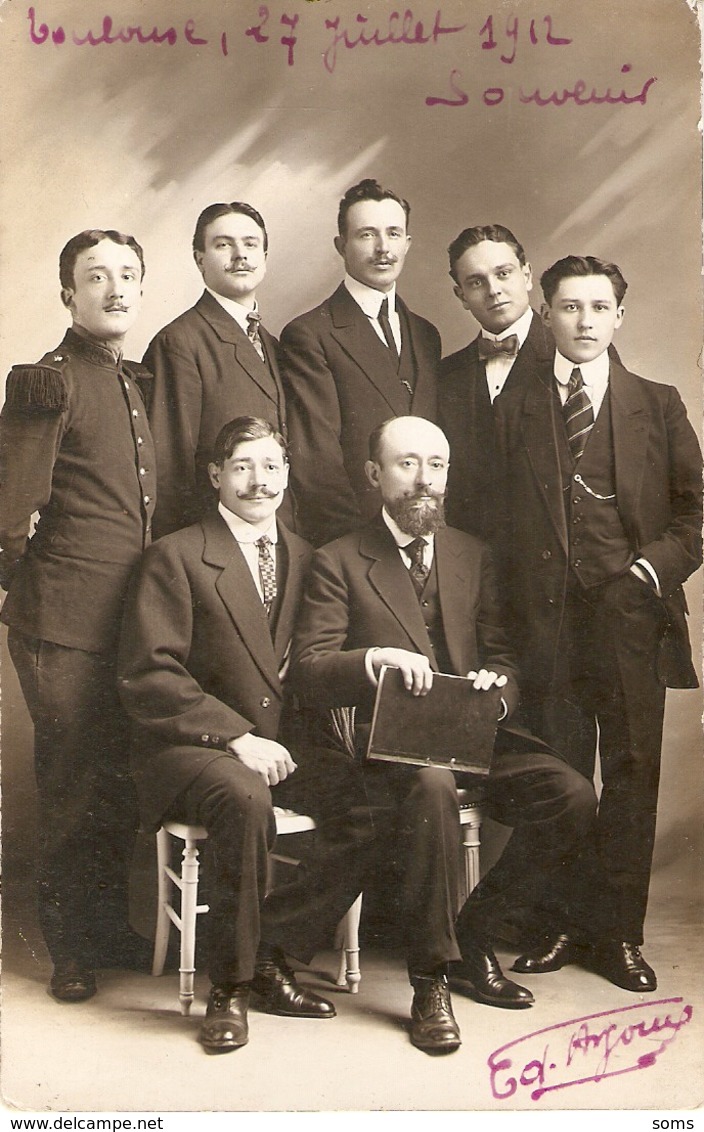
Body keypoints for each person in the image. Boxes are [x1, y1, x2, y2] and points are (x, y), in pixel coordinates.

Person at [274, 415, 597, 1056]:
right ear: (374, 475)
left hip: (472, 732)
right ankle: (430, 985)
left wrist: (493, 688)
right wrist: (375, 663)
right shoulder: (338, 559)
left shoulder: (472, 554)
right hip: (384, 745)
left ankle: (474, 933)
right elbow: (310, 667)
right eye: (407, 464)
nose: (425, 480)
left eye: (438, 466)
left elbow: (506, 659)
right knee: (429, 784)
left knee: (572, 795)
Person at [117, 416, 370, 1053]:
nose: (260, 483)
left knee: (378, 799)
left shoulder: (310, 558)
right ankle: (230, 989)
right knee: (245, 799)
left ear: (288, 475)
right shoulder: (175, 555)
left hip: (281, 742)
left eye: (272, 467)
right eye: (243, 467)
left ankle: (269, 951)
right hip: (191, 748)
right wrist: (233, 737)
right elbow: (150, 673)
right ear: (214, 476)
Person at [493, 256, 703, 991]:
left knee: (634, 773)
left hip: (630, 621)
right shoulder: (515, 410)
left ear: (620, 316)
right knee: (561, 773)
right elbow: (492, 519)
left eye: (598, 307)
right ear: (545, 316)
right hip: (547, 626)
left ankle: (616, 935)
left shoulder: (659, 403)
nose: (584, 321)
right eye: (570, 307)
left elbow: (694, 514)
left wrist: (649, 570)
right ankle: (555, 924)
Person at [0, 229, 156, 1002]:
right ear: (69, 294)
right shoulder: (46, 380)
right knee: (71, 782)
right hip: (60, 626)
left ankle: (109, 928)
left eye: (128, 275)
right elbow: (8, 513)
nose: (116, 289)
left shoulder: (136, 381)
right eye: (97, 277)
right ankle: (68, 949)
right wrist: (27, 593)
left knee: (118, 781)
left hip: (126, 627)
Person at [280, 178, 440, 547]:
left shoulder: (426, 335)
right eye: (367, 235)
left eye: (394, 234)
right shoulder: (310, 334)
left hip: (427, 537)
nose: (383, 248)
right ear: (341, 245)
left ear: (408, 243)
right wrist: (358, 550)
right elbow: (317, 464)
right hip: (359, 544)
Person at [144, 202, 289, 538]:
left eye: (251, 244)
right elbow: (170, 469)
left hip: (269, 532)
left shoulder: (271, 344)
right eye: (224, 245)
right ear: (199, 259)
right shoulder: (179, 342)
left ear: (264, 256)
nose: (240, 255)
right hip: (211, 538)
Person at [438, 224, 554, 541]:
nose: (493, 290)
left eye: (503, 273)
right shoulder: (447, 376)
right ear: (461, 295)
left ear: (527, 275)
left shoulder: (574, 351)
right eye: (476, 282)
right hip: (481, 565)